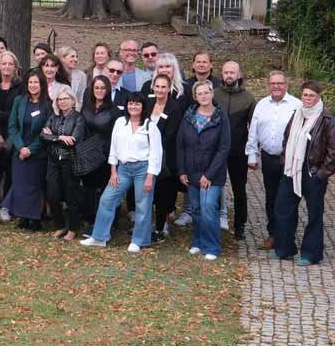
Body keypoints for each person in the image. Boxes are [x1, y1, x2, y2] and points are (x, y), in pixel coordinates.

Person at [272, 81, 335, 266]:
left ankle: (310, 254)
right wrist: (284, 160)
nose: (308, 99)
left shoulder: (328, 121)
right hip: (291, 170)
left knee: (314, 214)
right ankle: (284, 248)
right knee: (282, 209)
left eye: (311, 95)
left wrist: (321, 174)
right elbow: (287, 138)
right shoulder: (297, 114)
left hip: (313, 172)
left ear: (318, 97)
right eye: (305, 95)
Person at [81, 91, 163, 251]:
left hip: (143, 169)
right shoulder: (120, 122)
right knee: (107, 199)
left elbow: (156, 153)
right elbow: (114, 148)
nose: (133, 106)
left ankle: (139, 240)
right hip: (123, 169)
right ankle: (99, 237)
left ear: (143, 106)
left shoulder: (150, 126)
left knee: (143, 205)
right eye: (131, 103)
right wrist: (113, 171)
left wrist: (150, 177)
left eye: (137, 104)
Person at [177, 81, 231, 261]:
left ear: (212, 94)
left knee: (209, 208)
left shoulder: (220, 117)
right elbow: (181, 145)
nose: (204, 96)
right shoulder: (189, 116)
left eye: (206, 92)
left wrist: (209, 175)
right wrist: (182, 170)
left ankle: (212, 246)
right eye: (199, 93)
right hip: (191, 170)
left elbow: (224, 148)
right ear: (195, 97)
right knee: (197, 209)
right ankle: (197, 242)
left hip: (212, 172)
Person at [246, 70, 299, 250]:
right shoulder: (262, 104)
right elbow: (253, 130)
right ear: (269, 85)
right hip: (268, 158)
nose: (276, 86)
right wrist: (252, 154)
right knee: (271, 198)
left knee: (288, 199)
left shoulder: (296, 105)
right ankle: (274, 234)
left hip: (289, 160)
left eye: (280, 83)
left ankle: (287, 237)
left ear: (286, 85)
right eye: (273, 83)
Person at [214, 60, 256, 239]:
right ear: (221, 74)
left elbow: (253, 127)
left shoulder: (248, 98)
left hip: (239, 152)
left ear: (239, 74)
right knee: (215, 187)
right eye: (225, 72)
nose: (229, 75)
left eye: (232, 72)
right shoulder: (214, 95)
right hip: (217, 151)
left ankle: (240, 225)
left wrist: (253, 153)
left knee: (239, 190)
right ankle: (215, 221)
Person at [5, 70, 50, 231]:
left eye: (36, 82)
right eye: (30, 82)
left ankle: (35, 219)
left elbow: (47, 131)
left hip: (38, 152)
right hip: (19, 150)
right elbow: (12, 126)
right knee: (20, 185)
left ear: (42, 84)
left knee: (34, 187)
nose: (32, 85)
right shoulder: (19, 101)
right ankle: (23, 217)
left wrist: (30, 149)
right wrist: (21, 147)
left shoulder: (48, 104)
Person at [41, 84, 86, 240]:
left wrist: (52, 137)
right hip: (53, 160)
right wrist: (59, 138)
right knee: (52, 194)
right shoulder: (54, 116)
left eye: (66, 99)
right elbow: (43, 136)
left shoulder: (78, 118)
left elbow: (74, 140)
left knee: (71, 195)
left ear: (72, 100)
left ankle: (73, 228)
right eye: (59, 99)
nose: (62, 102)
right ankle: (60, 226)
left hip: (70, 161)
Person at [145, 73, 184, 239]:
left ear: (169, 89)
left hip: (165, 158)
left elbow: (169, 135)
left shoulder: (174, 108)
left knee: (163, 195)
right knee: (147, 193)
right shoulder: (148, 103)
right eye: (157, 86)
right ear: (153, 87)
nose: (160, 90)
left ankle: (161, 227)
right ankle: (146, 224)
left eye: (163, 87)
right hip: (144, 155)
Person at [0, 51, 22, 221]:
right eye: (4, 63)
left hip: (13, 136)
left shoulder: (20, 86)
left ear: (15, 67)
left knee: (10, 173)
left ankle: (5, 207)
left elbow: (17, 114)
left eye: (10, 64)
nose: (7, 66)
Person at [78, 75, 115, 227]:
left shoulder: (114, 111)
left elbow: (114, 136)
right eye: (96, 88)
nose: (99, 90)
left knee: (103, 190)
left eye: (102, 88)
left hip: (104, 155)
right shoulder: (86, 108)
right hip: (87, 154)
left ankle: (106, 221)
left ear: (107, 90)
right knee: (88, 188)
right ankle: (89, 218)